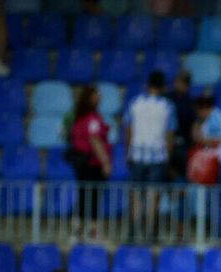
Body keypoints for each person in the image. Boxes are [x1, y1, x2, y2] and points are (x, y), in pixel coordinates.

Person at [124, 71, 175, 238]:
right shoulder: (167, 106)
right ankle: (150, 232)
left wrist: (128, 152)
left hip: (137, 153)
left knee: (136, 194)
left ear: (148, 85)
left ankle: (132, 231)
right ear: (163, 87)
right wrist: (169, 156)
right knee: (154, 195)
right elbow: (169, 135)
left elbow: (128, 130)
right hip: (158, 156)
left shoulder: (135, 103)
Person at [67, 85, 112, 237]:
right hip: (91, 164)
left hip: (83, 163)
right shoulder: (92, 118)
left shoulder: (80, 117)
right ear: (90, 98)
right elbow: (95, 140)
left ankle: (79, 229)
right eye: (97, 94)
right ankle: (89, 230)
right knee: (92, 196)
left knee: (84, 195)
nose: (100, 97)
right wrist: (105, 162)